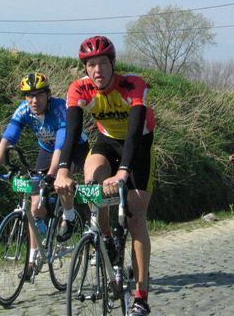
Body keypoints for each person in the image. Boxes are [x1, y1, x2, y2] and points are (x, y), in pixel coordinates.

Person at [54, 36, 155, 316]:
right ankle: (107, 235)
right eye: (90, 65)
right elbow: (73, 131)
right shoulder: (79, 88)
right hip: (107, 140)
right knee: (91, 181)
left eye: (102, 63)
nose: (97, 70)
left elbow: (134, 131)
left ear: (112, 64)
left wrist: (123, 172)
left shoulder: (132, 85)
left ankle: (141, 297)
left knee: (136, 216)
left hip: (139, 145)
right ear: (85, 69)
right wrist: (63, 169)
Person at [0, 72, 89, 279]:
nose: (33, 100)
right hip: (46, 149)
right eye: (28, 96)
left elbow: (61, 145)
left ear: (48, 95)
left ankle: (68, 215)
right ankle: (32, 259)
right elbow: (8, 139)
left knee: (59, 182)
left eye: (38, 95)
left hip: (72, 147)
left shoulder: (59, 110)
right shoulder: (24, 110)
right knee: (34, 205)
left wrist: (51, 175)